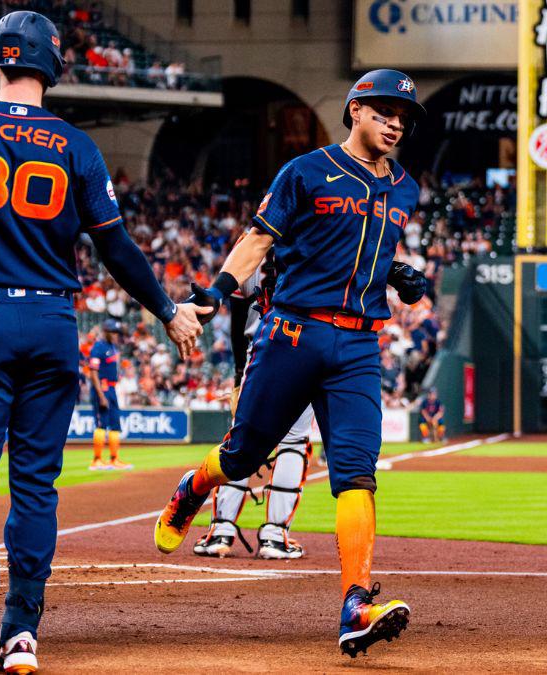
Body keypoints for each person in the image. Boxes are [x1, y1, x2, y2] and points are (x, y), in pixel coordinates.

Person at [0, 11, 209, 674]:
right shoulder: (76, 145)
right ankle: (22, 634)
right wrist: (165, 309)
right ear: (53, 67)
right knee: (36, 486)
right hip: (51, 323)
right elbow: (116, 247)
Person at [152, 69, 429, 658]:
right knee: (243, 455)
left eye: (403, 116)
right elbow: (259, 240)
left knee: (356, 471)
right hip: (292, 333)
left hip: (357, 346)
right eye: (383, 110)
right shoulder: (305, 171)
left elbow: (367, 251)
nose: (396, 122)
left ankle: (357, 602)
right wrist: (216, 291)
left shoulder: (404, 187)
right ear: (354, 110)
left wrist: (399, 274)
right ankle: (194, 485)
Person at [193, 253, 313, 560]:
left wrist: (237, 374)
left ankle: (220, 532)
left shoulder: (257, 239)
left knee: (242, 439)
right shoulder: (324, 231)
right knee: (294, 443)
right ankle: (274, 536)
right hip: (310, 347)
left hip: (260, 348)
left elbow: (237, 315)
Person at [88, 319, 131, 470]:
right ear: (106, 331)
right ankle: (97, 460)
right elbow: (93, 373)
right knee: (101, 424)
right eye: (113, 332)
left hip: (112, 389)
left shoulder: (112, 347)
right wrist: (101, 395)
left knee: (115, 425)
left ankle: (114, 459)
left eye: (116, 332)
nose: (116, 335)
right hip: (102, 387)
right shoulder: (98, 347)